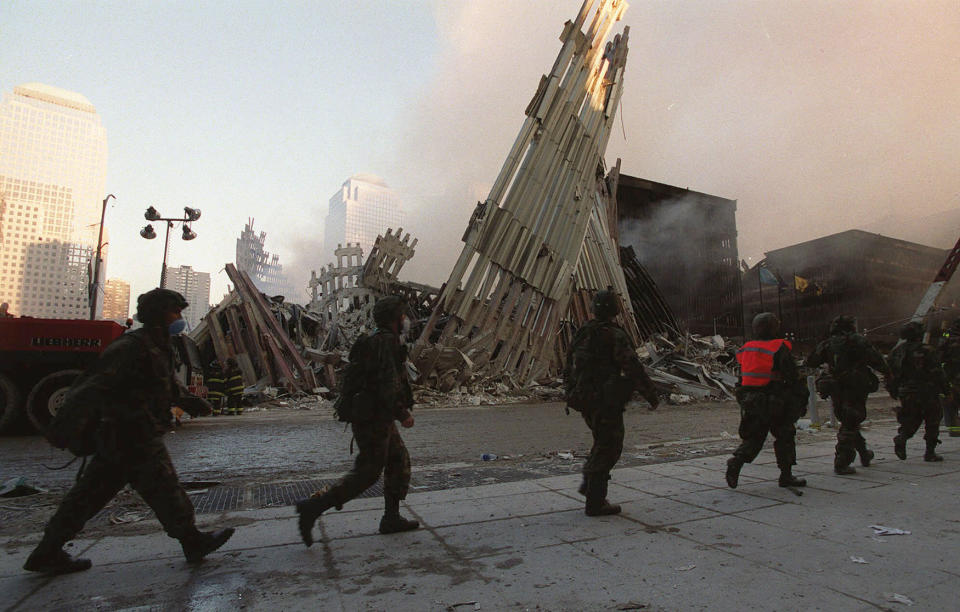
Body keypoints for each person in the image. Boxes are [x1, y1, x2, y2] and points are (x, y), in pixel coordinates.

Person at [23, 288, 235, 575]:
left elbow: (166, 386)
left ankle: (47, 551)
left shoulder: (158, 345)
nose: (180, 317)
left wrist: (192, 401)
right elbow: (89, 387)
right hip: (128, 434)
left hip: (133, 435)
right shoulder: (131, 346)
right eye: (175, 312)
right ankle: (191, 541)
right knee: (163, 489)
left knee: (92, 495)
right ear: (159, 314)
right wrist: (63, 430)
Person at [295, 296, 418, 546]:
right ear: (395, 319)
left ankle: (391, 518)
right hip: (373, 416)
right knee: (368, 472)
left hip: (375, 414)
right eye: (403, 315)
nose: (406, 320)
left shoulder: (378, 339)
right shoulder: (384, 342)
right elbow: (386, 385)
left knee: (398, 459)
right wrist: (402, 413)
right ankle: (314, 507)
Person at [564, 289, 659, 516]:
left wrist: (570, 393)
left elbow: (568, 367)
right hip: (604, 400)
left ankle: (590, 485)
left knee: (601, 441)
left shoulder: (582, 332)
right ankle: (595, 501)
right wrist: (650, 394)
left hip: (583, 399)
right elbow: (632, 367)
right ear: (615, 310)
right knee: (610, 446)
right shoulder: (614, 335)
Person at [725, 313, 808, 489]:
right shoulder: (778, 347)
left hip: (751, 401)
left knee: (754, 437)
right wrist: (801, 397)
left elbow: (742, 375)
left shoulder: (747, 348)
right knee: (785, 436)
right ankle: (786, 476)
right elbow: (792, 375)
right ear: (772, 327)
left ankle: (736, 461)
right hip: (775, 400)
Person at [806, 315, 889, 475]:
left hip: (836, 386)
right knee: (851, 420)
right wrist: (889, 373)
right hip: (856, 385)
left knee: (848, 420)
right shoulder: (858, 340)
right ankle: (842, 461)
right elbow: (877, 360)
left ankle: (864, 453)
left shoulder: (828, 343)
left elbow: (811, 360)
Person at [887, 321, 948, 461]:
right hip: (927, 391)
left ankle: (902, 438)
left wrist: (893, 390)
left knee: (911, 418)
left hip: (906, 392)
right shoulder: (927, 350)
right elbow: (938, 372)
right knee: (933, 420)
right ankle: (930, 452)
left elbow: (889, 373)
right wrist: (946, 390)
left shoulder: (896, 351)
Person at [936, 318, 960, 438]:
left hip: (951, 375)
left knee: (950, 402)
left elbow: (940, 355)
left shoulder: (947, 336)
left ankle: (954, 429)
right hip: (953, 373)